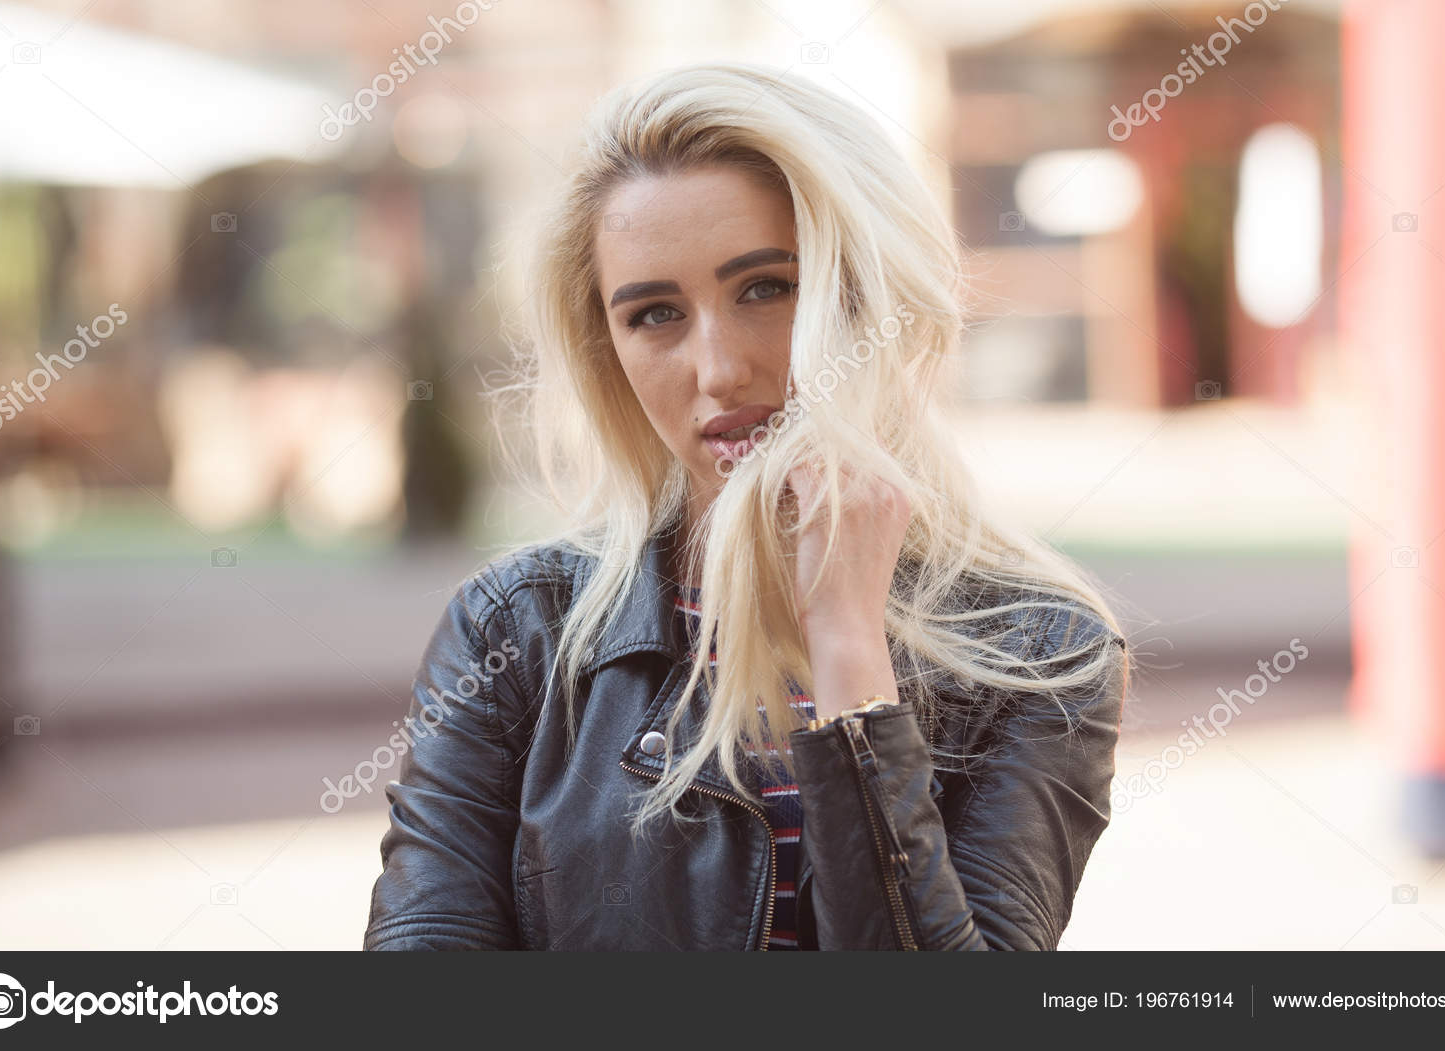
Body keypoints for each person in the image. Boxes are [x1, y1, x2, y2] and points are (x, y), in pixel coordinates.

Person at [363, 61, 1130, 951]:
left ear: (865, 292)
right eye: (654, 314)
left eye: (766, 288)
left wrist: (846, 643)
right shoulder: (516, 632)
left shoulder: (1040, 654)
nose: (718, 370)